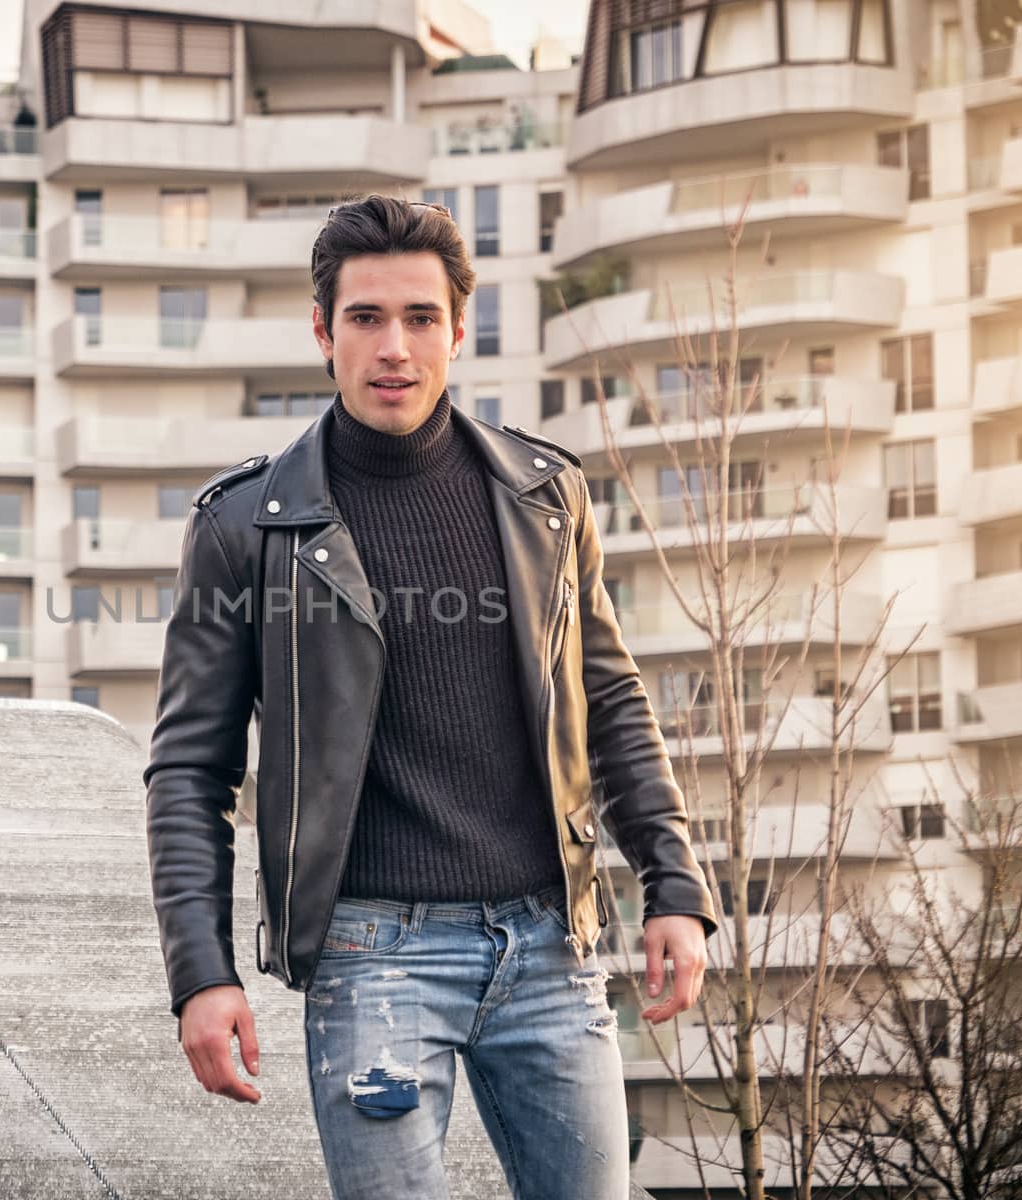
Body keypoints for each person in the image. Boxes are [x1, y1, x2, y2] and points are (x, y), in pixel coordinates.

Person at [144, 194, 717, 1198]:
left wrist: (674, 882)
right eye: (364, 318)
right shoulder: (244, 527)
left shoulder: (546, 496)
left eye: (419, 317)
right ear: (323, 332)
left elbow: (609, 696)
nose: (393, 346)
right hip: (373, 957)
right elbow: (190, 768)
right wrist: (203, 970)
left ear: (460, 328)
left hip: (550, 944)